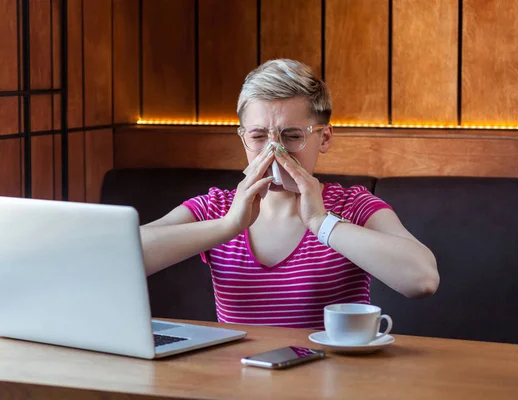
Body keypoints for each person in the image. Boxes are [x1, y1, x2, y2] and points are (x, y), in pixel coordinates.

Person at [140, 59, 439, 329]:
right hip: (241, 385)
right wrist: (228, 225)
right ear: (243, 138)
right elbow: (124, 254)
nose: (274, 150)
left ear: (324, 138)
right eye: (258, 136)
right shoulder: (217, 208)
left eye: (292, 136)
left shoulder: (353, 206)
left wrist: (322, 223)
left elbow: (422, 279)